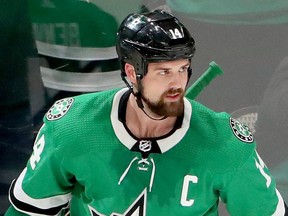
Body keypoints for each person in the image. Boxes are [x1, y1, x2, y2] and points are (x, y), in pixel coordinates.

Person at [5, 10, 288, 216]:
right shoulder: (70, 129)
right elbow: (29, 210)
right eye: (163, 72)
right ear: (131, 72)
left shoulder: (223, 142)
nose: (177, 83)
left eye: (182, 69)